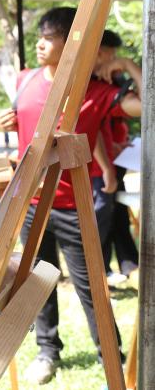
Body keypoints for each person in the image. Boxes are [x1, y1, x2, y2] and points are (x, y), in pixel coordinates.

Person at [0, 7, 141, 385]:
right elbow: (26, 124)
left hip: (73, 206)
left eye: (50, 36)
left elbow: (145, 106)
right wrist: (11, 120)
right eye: (41, 35)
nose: (41, 43)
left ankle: (111, 356)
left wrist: (127, 63)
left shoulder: (94, 91)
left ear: (72, 42)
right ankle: (47, 352)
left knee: (92, 286)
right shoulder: (26, 80)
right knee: (36, 285)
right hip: (30, 204)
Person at [90, 30, 141, 282]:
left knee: (114, 215)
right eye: (112, 53)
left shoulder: (109, 81)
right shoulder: (87, 85)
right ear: (100, 51)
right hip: (98, 169)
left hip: (111, 161)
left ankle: (126, 264)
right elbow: (92, 129)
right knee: (99, 222)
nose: (114, 58)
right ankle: (99, 274)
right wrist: (106, 165)